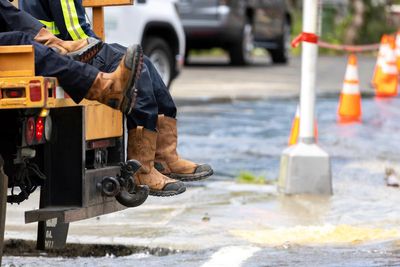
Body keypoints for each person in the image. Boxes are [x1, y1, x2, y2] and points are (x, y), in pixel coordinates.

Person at [5, 0, 214, 197]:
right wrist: (98, 50)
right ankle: (142, 168)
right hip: (74, 49)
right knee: (137, 73)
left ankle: (165, 156)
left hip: (63, 46)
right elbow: (76, 33)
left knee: (144, 63)